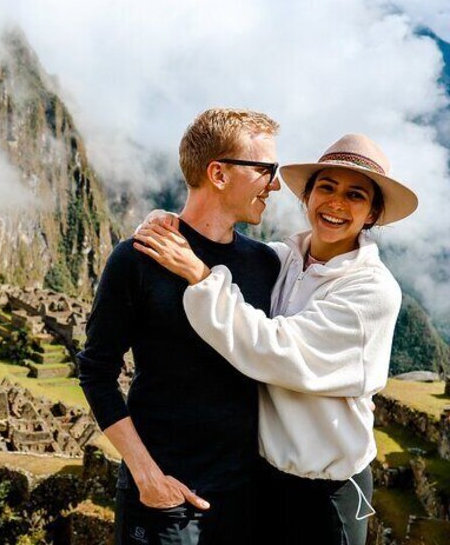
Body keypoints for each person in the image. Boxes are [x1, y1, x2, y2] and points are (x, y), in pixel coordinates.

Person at [133, 133, 418, 544]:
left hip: (326, 492)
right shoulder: (285, 260)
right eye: (326, 187)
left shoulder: (370, 290)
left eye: (355, 195)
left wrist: (200, 277)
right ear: (307, 197)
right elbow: (221, 245)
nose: (336, 203)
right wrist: (168, 223)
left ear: (372, 213)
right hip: (266, 477)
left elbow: (276, 350)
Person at [77, 108, 283, 544]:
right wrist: (147, 476)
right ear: (219, 174)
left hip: (246, 498)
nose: (276, 184)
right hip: (165, 502)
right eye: (266, 170)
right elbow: (96, 371)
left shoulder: (266, 264)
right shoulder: (137, 259)